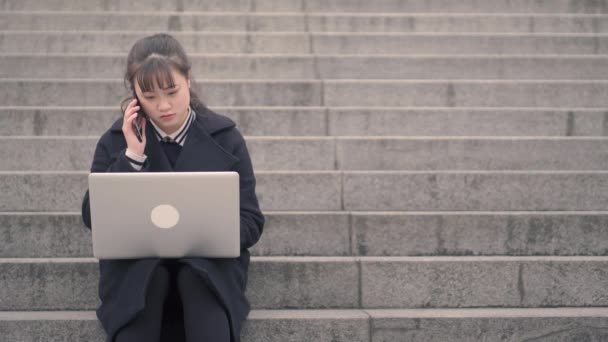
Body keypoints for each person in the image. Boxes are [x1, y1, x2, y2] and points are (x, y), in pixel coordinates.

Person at [80, 33, 265, 342]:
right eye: (149, 97)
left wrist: (214, 232)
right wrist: (132, 157)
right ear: (134, 94)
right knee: (143, 295)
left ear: (188, 81)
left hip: (210, 271)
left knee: (201, 292)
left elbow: (251, 220)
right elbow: (93, 217)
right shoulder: (115, 141)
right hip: (135, 271)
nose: (163, 105)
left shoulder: (226, 138)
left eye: (171, 91)